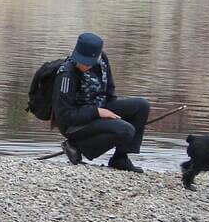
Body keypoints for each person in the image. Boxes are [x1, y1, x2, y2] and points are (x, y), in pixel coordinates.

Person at [52, 32, 149, 172]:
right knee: (126, 130)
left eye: (87, 62)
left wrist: (117, 114)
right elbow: (64, 117)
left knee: (141, 106)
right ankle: (76, 147)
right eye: (81, 60)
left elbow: (110, 90)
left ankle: (120, 158)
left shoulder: (102, 59)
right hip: (75, 124)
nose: (83, 64)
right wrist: (97, 112)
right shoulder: (66, 74)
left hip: (100, 107)